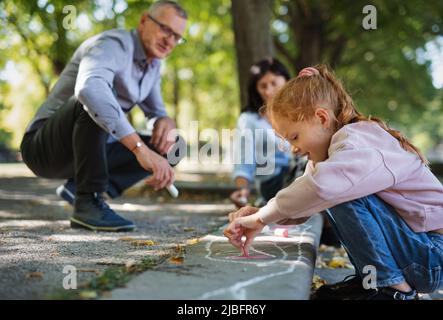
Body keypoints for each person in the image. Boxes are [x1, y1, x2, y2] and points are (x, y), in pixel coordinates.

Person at [224, 65, 443, 300]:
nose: (294, 149)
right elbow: (305, 200)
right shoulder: (332, 156)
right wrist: (261, 215)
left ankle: (391, 289)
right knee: (333, 189)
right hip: (420, 252)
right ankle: (372, 281)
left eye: (295, 137)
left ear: (321, 118)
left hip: (433, 256)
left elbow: (320, 188)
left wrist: (261, 217)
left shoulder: (357, 141)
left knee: (337, 189)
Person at [20, 1, 188, 232]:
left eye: (177, 36)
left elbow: (156, 111)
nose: (170, 41)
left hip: (89, 150)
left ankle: (80, 187)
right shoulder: (112, 45)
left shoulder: (153, 66)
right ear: (143, 21)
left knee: (175, 145)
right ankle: (88, 201)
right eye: (165, 29)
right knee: (98, 97)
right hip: (45, 148)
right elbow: (90, 90)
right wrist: (139, 148)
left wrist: (166, 122)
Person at [230, 58, 301, 208]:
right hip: (273, 182)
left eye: (274, 83)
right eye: (263, 86)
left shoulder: (301, 112)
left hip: (303, 176)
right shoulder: (248, 120)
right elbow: (244, 162)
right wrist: (243, 190)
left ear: (287, 81)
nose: (268, 91)